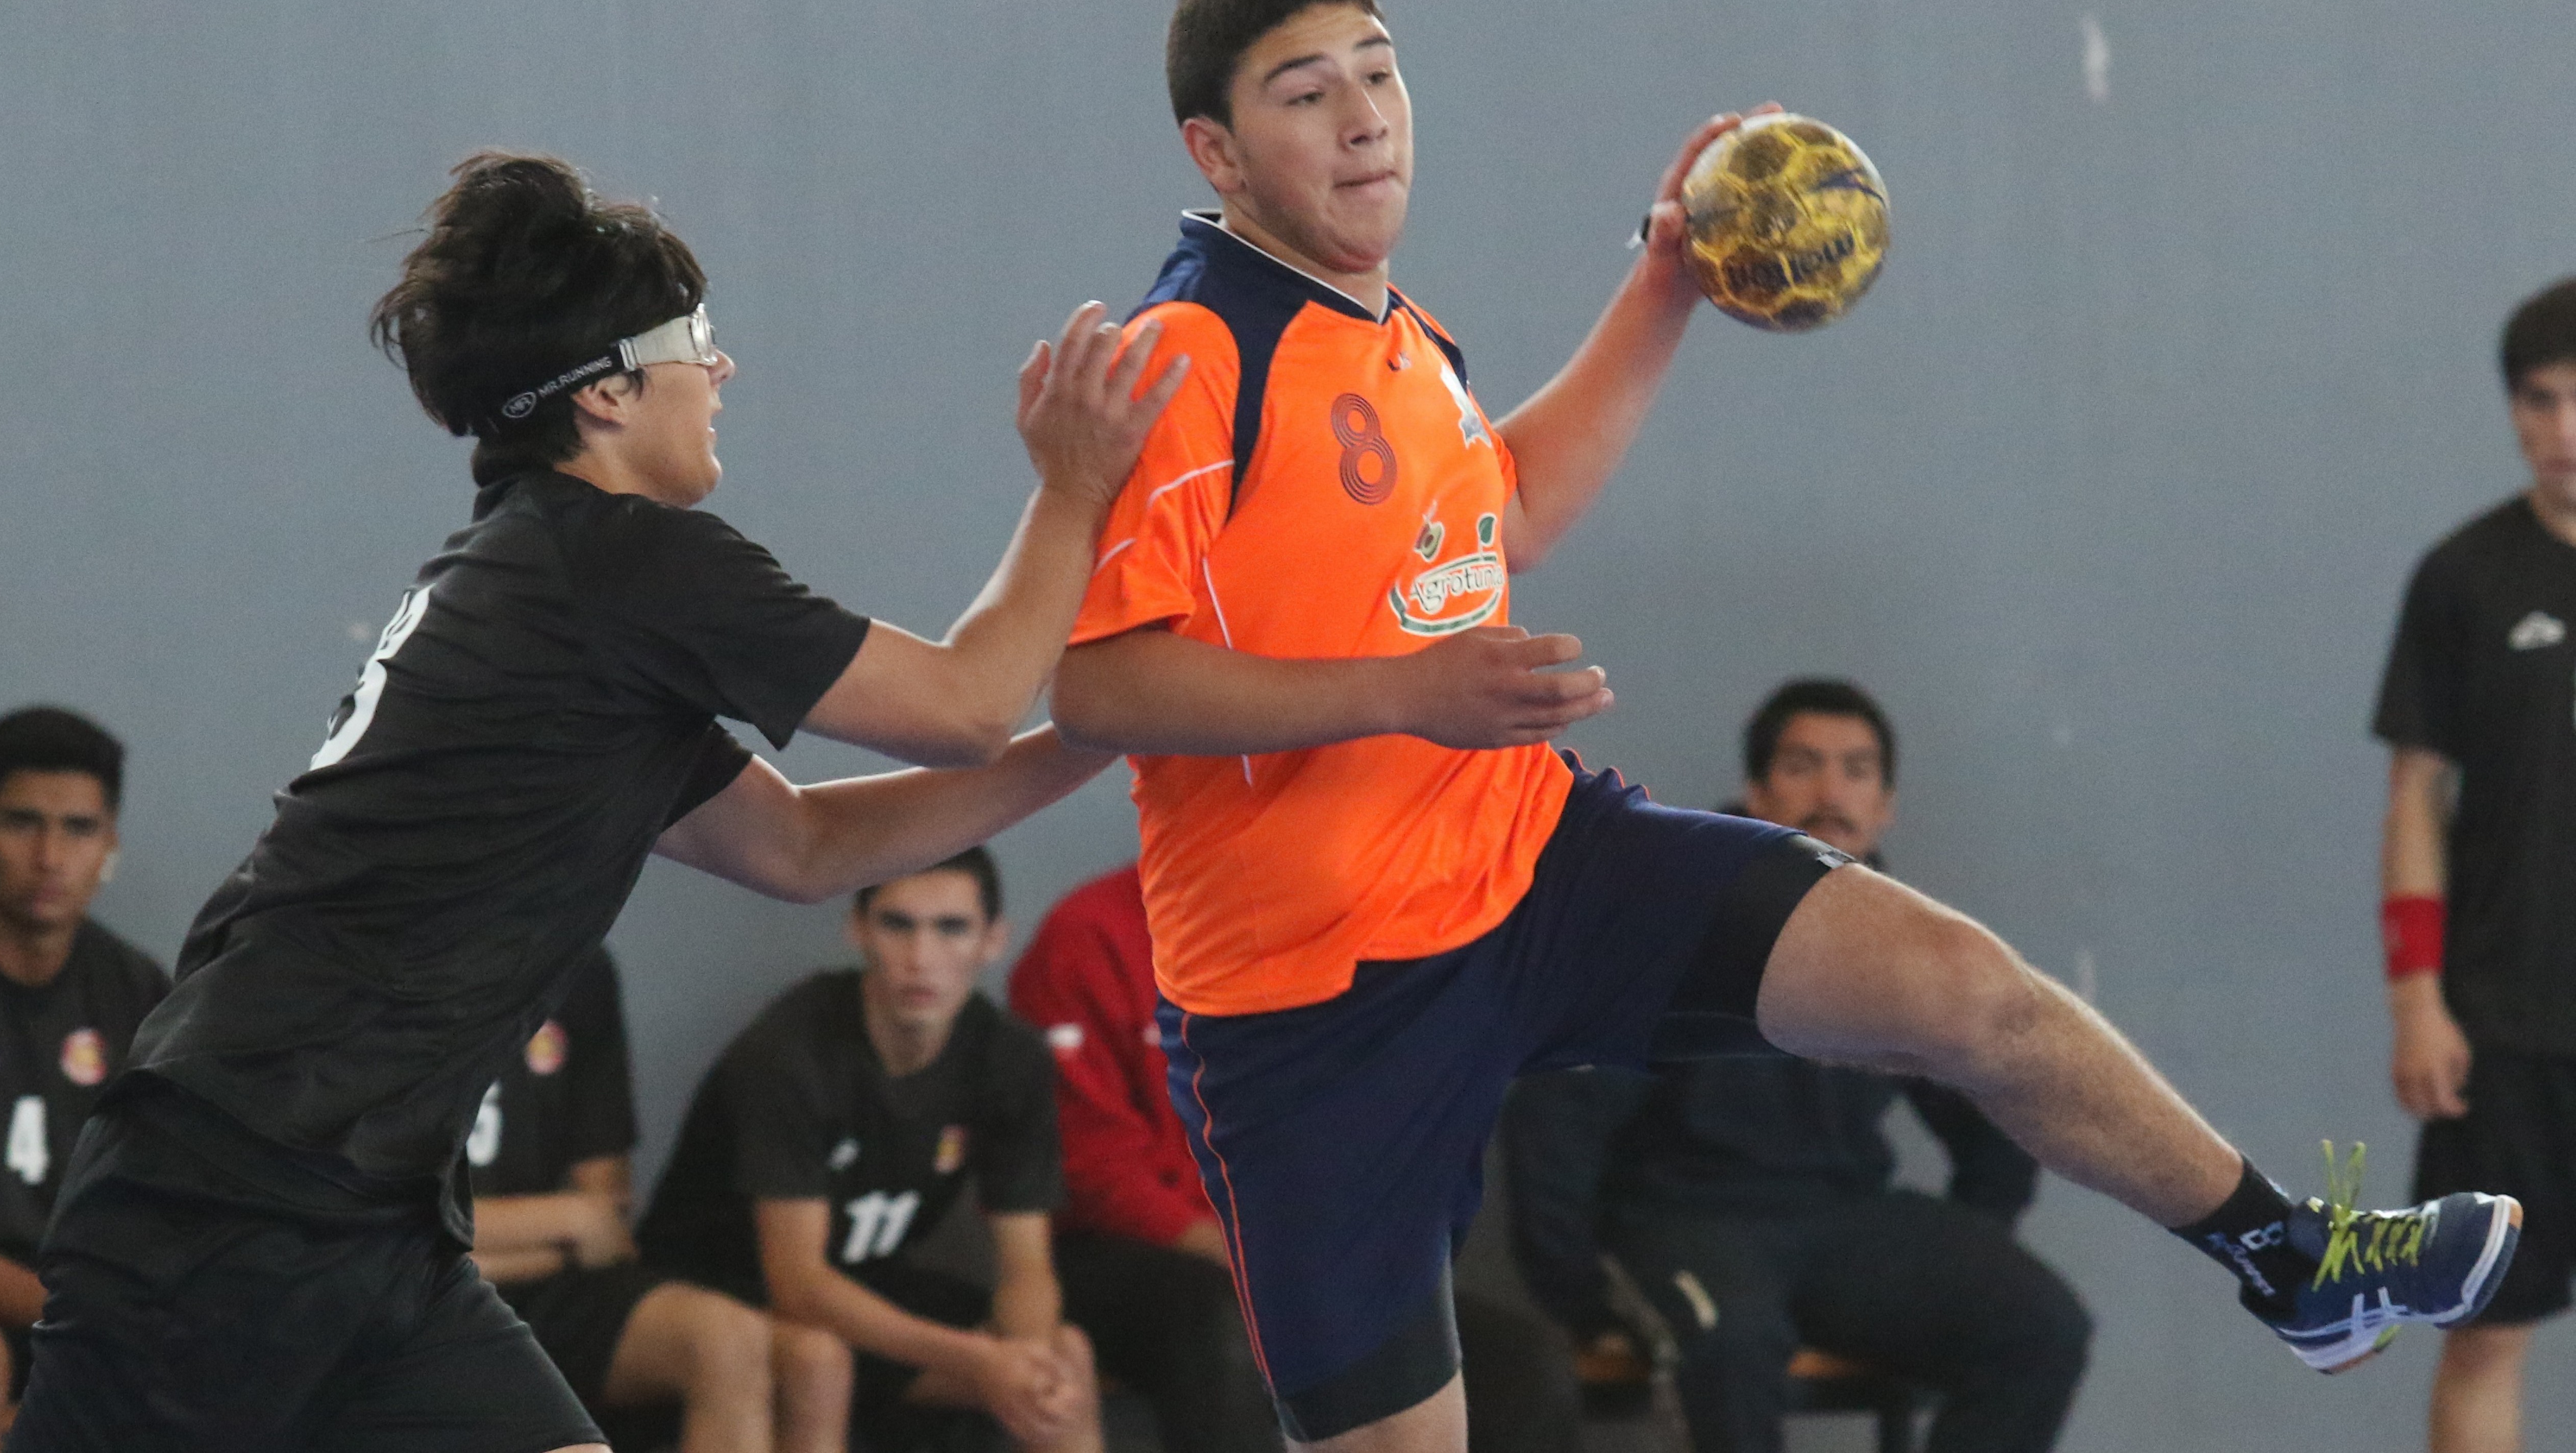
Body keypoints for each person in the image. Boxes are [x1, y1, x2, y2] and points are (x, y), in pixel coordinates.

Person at [1044, 4, 2523, 1448]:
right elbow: (1098, 683)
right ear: (1216, 150)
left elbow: (1509, 509)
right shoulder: (1191, 358)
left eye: (1381, 71)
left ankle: (2295, 1259)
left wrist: (1662, 289)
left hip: (1524, 860)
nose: (1365, 116)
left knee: (1961, 986)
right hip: (1313, 1006)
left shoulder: (1394, 328)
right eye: (1305, 92)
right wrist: (1402, 692)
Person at [6, 153, 1183, 1453]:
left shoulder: (555, 592)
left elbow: (803, 844)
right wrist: (1076, 485)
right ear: (610, 389)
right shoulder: (615, 559)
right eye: (701, 343)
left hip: (375, 1222)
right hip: (225, 1203)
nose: (722, 371)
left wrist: (1099, 740)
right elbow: (966, 702)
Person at [1504, 680, 2090, 1452]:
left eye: (1857, 770)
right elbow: (1557, 1121)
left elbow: (1994, 1107)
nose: (1831, 792)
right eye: (1803, 766)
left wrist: (1968, 1240)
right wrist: (1584, 1295)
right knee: (1729, 1349)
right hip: (1686, 1222)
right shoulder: (1670, 909)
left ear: (1887, 804)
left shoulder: (1908, 938)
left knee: (2041, 1326)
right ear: (1756, 791)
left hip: (1843, 1219)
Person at [1005, 864, 1581, 1453]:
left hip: (1301, 1266)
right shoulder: (1090, 931)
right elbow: (1093, 1171)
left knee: (1523, 1363)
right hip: (1132, 1255)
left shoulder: (1347, 936)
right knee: (1224, 1323)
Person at [637, 848, 1101, 1453]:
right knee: (819, 1360)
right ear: (857, 930)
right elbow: (798, 1284)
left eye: (951, 928)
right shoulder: (790, 1052)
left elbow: (1027, 1267)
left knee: (1066, 1358)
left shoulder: (1007, 1057)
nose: (921, 959)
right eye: (897, 924)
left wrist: (1027, 1360)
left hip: (869, 1287)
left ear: (993, 941)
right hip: (720, 1285)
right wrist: (979, 1360)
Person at [2374, 277, 2576, 1453]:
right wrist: (2413, 992)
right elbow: (2413, 793)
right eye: (2537, 401)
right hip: (2500, 1026)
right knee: (2486, 1330)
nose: (2562, 431)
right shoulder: (2461, 578)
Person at [466, 945, 850, 1452]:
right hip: (397, 1286)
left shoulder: (574, 959)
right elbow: (364, 1225)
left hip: (538, 1279)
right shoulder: (365, 956)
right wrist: (563, 1222)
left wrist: (566, 1228)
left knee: (736, 1342)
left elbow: (604, 1210)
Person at [0, 709, 166, 1453]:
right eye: (22, 822)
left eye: (79, 829)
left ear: (108, 843)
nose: (50, 855)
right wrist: (69, 1312)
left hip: (93, 1310)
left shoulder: (141, 991)